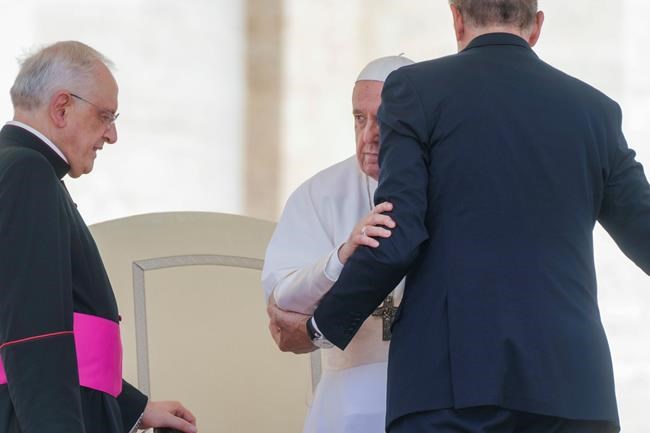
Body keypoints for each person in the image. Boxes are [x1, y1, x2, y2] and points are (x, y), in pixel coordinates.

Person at [268, 1, 650, 432]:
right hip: (575, 392)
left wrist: (320, 326)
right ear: (537, 26)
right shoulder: (595, 111)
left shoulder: (415, 91)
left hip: (450, 392)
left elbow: (396, 238)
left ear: (456, 17)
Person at [0, 41, 197, 433]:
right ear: (61, 108)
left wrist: (134, 408)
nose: (112, 134)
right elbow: (35, 335)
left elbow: (65, 338)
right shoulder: (27, 172)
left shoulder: (18, 166)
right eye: (105, 116)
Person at [263, 55, 413, 433]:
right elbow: (283, 305)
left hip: (425, 396)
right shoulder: (318, 194)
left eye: (385, 120)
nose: (369, 136)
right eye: (360, 119)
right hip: (344, 402)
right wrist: (342, 256)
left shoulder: (448, 189)